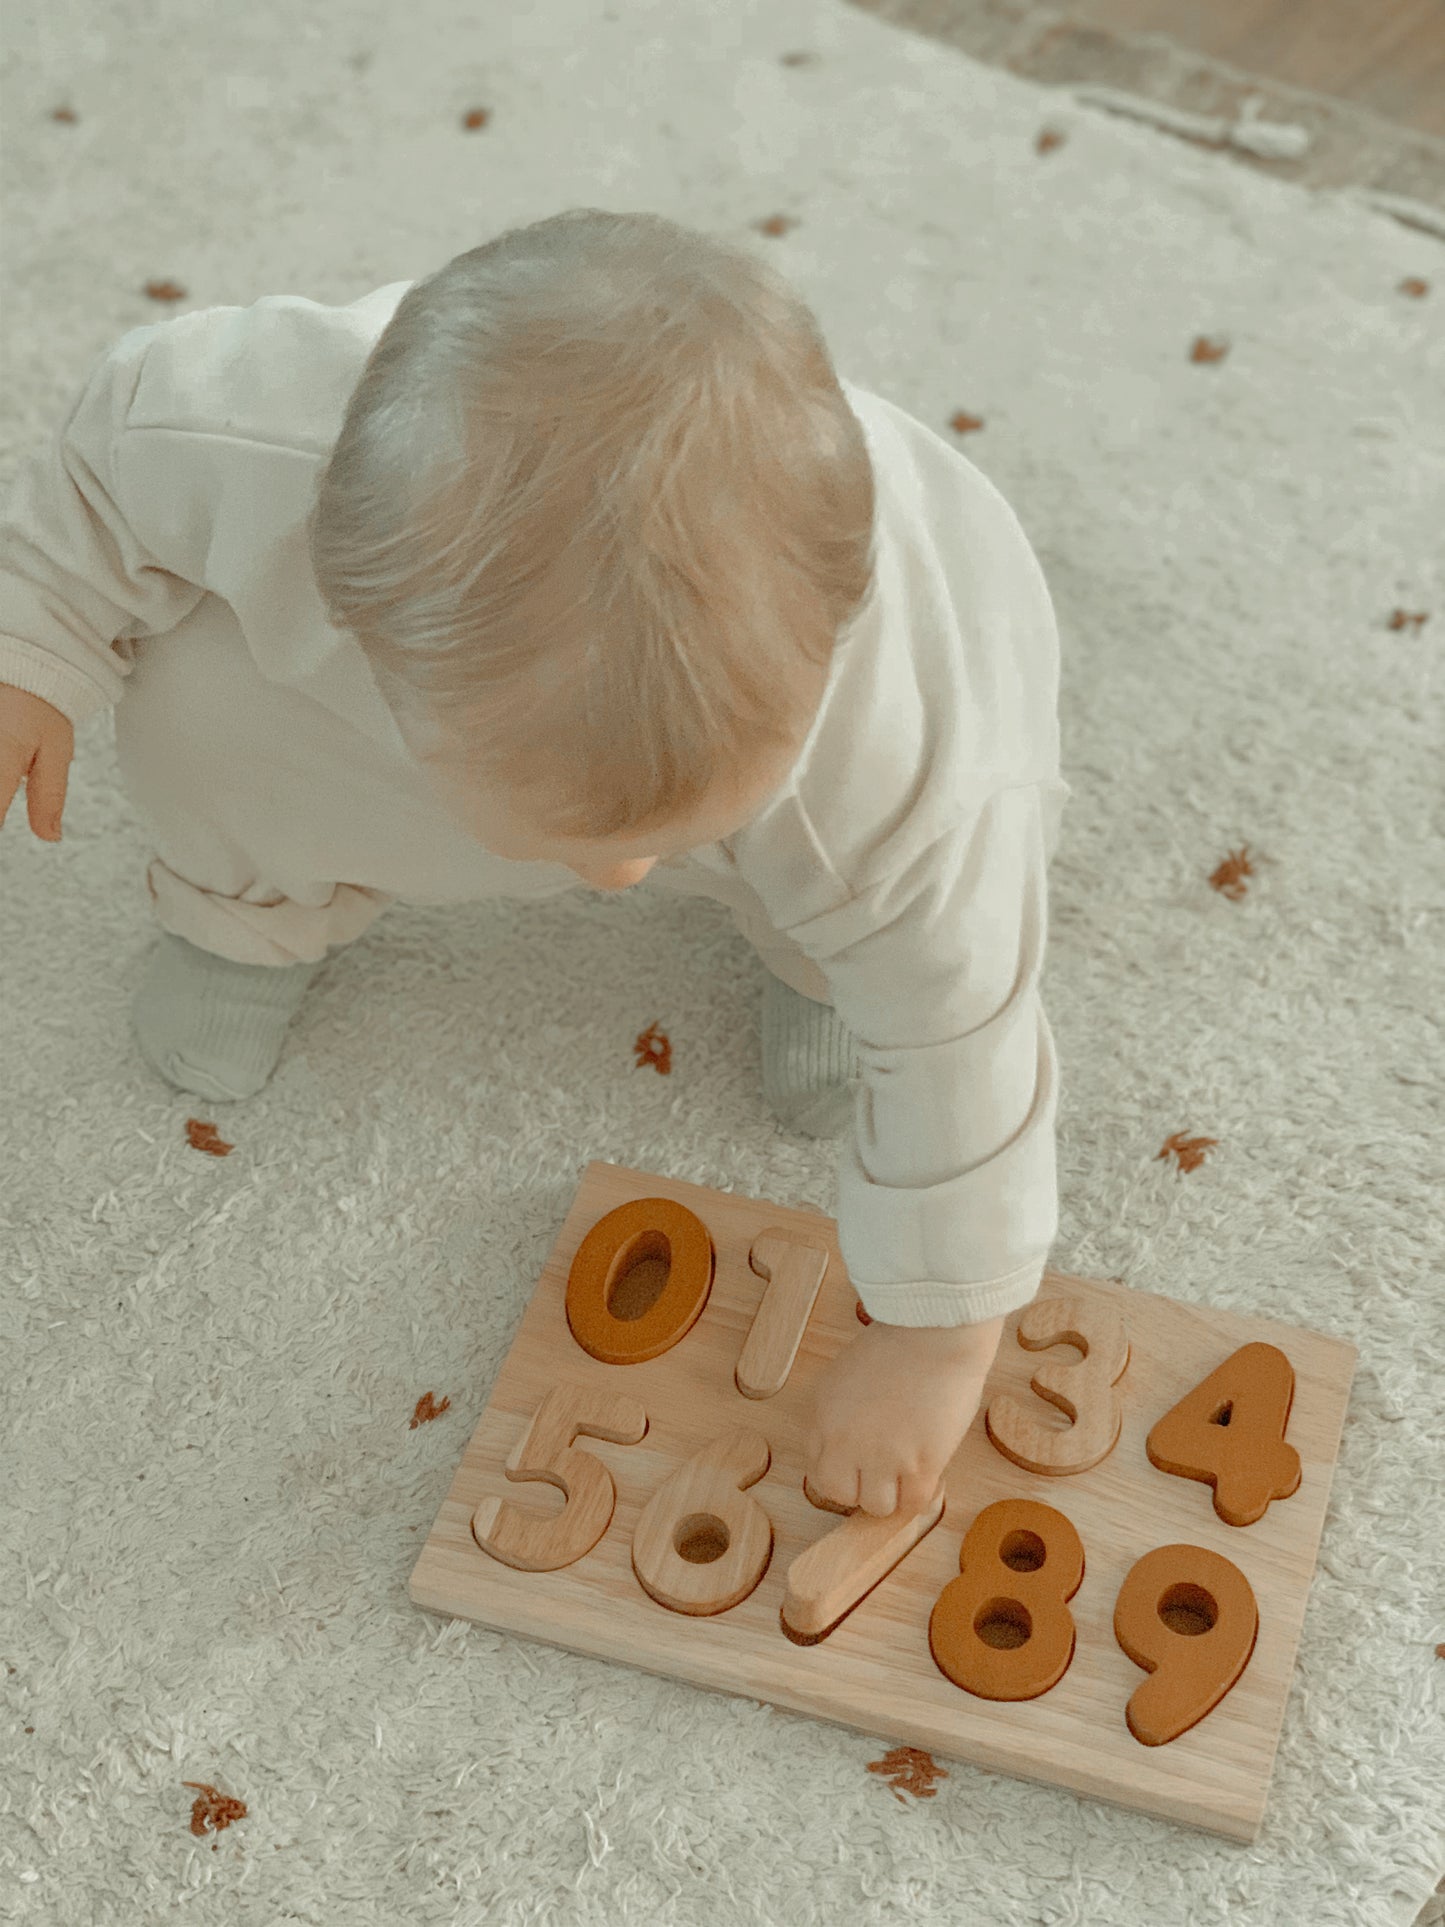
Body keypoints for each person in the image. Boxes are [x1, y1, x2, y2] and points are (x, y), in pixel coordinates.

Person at [0, 207, 1071, 1521]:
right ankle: (249, 906)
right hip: (430, 674)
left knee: (870, 934)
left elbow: (971, 1041)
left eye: (653, 837)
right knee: (201, 723)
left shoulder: (911, 765)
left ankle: (811, 960)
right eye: (577, 839)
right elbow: (98, 471)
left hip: (831, 810)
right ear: (363, 619)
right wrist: (29, 646)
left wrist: (935, 1335)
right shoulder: (242, 435)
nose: (615, 886)